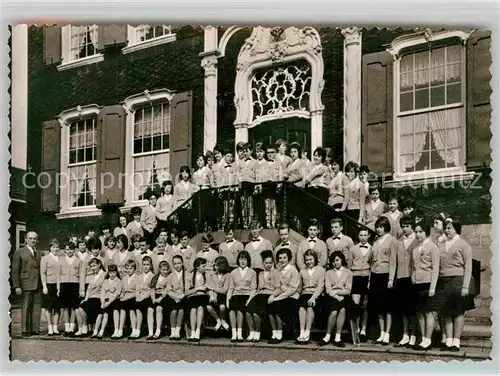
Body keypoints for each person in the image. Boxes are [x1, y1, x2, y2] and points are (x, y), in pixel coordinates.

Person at [436, 217, 473, 352]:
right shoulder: (442, 244)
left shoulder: (464, 244)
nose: (446, 230)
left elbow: (468, 266)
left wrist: (465, 287)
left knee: (458, 312)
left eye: (449, 228)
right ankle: (449, 341)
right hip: (443, 281)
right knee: (445, 312)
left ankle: (456, 341)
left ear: (456, 229)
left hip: (458, 280)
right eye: (445, 228)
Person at [369, 216, 398, 345]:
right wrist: (370, 279)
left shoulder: (392, 240)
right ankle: (381, 333)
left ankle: (387, 333)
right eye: (377, 227)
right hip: (376, 274)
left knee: (388, 307)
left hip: (386, 275)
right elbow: (372, 262)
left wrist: (391, 279)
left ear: (386, 227)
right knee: (379, 306)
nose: (379, 229)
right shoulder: (375, 241)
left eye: (381, 227)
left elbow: (393, 261)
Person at [412, 221, 440, 351]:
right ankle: (423, 338)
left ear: (426, 232)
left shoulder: (433, 247)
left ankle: (428, 339)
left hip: (428, 283)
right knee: (419, 312)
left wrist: (433, 287)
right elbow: (414, 267)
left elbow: (435, 269)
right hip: (417, 283)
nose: (418, 234)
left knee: (429, 312)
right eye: (416, 232)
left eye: (420, 232)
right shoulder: (415, 249)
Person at [393, 215, 420, 348]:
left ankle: (414, 335)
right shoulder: (398, 240)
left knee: (413, 308)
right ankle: (405, 335)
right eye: (403, 226)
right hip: (401, 277)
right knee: (403, 308)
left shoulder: (418, 239)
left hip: (413, 278)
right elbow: (394, 261)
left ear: (412, 226)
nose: (405, 229)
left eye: (407, 226)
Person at [12, 231, 42, 337]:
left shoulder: (39, 253)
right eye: (30, 238)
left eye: (34, 238)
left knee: (36, 307)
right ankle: (25, 329)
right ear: (26, 239)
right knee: (26, 307)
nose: (33, 240)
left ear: (37, 240)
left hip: (38, 284)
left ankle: (35, 329)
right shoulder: (19, 252)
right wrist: (17, 286)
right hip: (25, 283)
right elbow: (15, 271)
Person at [320, 251, 353, 347]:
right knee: (334, 311)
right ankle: (328, 335)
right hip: (331, 296)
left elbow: (348, 290)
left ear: (342, 260)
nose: (336, 263)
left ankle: (338, 337)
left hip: (344, 296)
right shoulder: (328, 272)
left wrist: (338, 292)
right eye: (333, 261)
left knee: (342, 310)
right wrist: (336, 296)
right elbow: (328, 289)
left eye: (337, 260)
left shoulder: (348, 273)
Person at [267, 248, 300, 344]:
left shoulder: (293, 270)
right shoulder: (277, 271)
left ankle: (280, 334)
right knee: (270, 305)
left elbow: (292, 289)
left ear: (289, 258)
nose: (282, 260)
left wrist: (277, 298)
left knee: (277, 305)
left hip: (292, 297)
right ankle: (275, 333)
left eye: (284, 257)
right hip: (282, 295)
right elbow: (278, 286)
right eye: (280, 258)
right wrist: (273, 296)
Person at [247, 251, 279, 342]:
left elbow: (278, 288)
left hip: (268, 295)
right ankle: (251, 332)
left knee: (256, 313)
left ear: (273, 263)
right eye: (266, 263)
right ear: (263, 263)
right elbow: (258, 289)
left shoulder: (275, 273)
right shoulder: (260, 274)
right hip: (259, 295)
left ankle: (257, 333)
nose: (268, 265)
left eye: (270, 263)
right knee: (248, 311)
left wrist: (273, 295)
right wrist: (251, 298)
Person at [227, 250, 257, 342]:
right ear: (238, 260)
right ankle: (234, 333)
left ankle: (239, 333)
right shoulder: (233, 272)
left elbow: (253, 289)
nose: (243, 261)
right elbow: (231, 288)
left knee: (239, 309)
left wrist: (250, 300)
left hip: (247, 295)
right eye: (241, 259)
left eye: (245, 259)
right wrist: (227, 299)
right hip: (236, 294)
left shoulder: (252, 272)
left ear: (248, 261)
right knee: (232, 308)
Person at [348, 228, 372, 342]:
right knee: (356, 305)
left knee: (365, 305)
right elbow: (348, 266)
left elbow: (373, 265)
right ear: (358, 236)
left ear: (369, 236)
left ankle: (363, 329)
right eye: (361, 235)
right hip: (355, 278)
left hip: (367, 277)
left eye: (365, 235)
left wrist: (370, 280)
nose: (363, 237)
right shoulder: (352, 249)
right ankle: (356, 329)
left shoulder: (372, 249)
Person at [296, 249, 325, 344]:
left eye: (311, 259)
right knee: (301, 308)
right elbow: (300, 286)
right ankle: (302, 332)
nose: (309, 262)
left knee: (310, 307)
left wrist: (313, 297)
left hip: (316, 295)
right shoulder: (302, 271)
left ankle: (307, 332)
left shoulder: (321, 270)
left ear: (315, 259)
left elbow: (321, 286)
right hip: (305, 293)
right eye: (307, 260)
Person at [75, 257, 106, 337]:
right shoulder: (92, 275)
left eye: (94, 266)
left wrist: (102, 300)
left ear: (99, 265)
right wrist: (85, 299)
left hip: (99, 298)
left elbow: (104, 289)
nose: (92, 268)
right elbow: (88, 289)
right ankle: (81, 328)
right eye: (91, 266)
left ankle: (85, 327)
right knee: (77, 310)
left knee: (81, 309)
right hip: (91, 298)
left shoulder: (104, 275)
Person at [92, 264, 122, 339]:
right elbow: (103, 292)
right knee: (103, 314)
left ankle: (116, 330)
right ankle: (97, 332)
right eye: (110, 273)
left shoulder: (118, 281)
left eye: (114, 273)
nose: (112, 274)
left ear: (116, 272)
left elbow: (116, 294)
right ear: (108, 273)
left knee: (115, 310)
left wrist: (108, 303)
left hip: (114, 300)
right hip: (106, 300)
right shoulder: (105, 281)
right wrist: (103, 302)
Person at [59, 242, 81, 337]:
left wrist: (81, 289)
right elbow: (58, 275)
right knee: (65, 307)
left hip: (74, 284)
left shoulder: (78, 260)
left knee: (73, 307)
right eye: (67, 249)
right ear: (65, 250)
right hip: (64, 284)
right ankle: (67, 328)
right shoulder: (61, 260)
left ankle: (72, 328)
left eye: (71, 249)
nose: (69, 251)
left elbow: (81, 276)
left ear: (74, 250)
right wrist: (58, 288)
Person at [185, 258, 209, 342]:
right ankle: (193, 331)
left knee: (200, 308)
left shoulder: (207, 275)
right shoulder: (190, 276)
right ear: (197, 267)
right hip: (192, 297)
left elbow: (209, 288)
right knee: (193, 309)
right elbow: (187, 292)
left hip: (203, 297)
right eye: (203, 266)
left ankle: (198, 330)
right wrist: (197, 288)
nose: (205, 267)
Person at [40, 239, 61, 336]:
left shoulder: (61, 258)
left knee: (57, 307)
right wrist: (44, 286)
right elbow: (43, 273)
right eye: (53, 247)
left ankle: (55, 327)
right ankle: (50, 327)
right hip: (49, 284)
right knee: (48, 307)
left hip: (59, 285)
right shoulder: (45, 258)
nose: (55, 249)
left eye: (57, 247)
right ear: (50, 248)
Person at [206, 256, 231, 332]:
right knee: (209, 307)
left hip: (223, 296)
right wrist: (212, 295)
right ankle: (218, 320)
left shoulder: (228, 275)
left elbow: (224, 290)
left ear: (221, 265)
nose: (214, 267)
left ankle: (223, 320)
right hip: (213, 295)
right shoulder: (212, 275)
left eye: (216, 265)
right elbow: (209, 287)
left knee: (222, 307)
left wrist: (214, 288)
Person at [148, 260, 171, 340]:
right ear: (159, 270)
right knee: (150, 310)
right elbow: (152, 289)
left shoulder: (169, 278)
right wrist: (153, 298)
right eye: (163, 270)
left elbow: (167, 290)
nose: (165, 272)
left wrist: (160, 298)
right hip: (155, 296)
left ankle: (158, 330)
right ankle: (150, 332)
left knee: (158, 308)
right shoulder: (155, 277)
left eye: (166, 270)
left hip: (164, 297)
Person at [236, 143, 257, 229]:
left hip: (251, 184)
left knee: (250, 204)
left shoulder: (255, 162)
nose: (245, 153)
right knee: (243, 203)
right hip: (242, 185)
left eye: (247, 151)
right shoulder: (240, 163)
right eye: (243, 151)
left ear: (251, 151)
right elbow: (238, 174)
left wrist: (256, 186)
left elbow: (256, 174)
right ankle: (244, 223)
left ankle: (250, 222)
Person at [166, 255, 187, 340]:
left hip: (184, 297)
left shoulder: (187, 274)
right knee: (174, 311)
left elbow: (188, 288)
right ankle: (173, 331)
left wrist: (182, 295)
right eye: (175, 264)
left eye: (179, 263)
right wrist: (175, 296)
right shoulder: (170, 276)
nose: (177, 265)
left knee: (181, 310)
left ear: (182, 263)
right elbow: (168, 289)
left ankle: (178, 330)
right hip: (173, 297)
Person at [117, 259, 139, 339]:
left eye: (131, 268)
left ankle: (134, 330)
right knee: (122, 308)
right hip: (125, 297)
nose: (129, 270)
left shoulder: (137, 278)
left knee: (131, 309)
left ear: (134, 269)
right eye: (127, 268)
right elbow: (122, 290)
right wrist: (122, 295)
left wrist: (127, 297)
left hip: (133, 297)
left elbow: (137, 291)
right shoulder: (124, 278)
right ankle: (120, 330)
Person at [134, 256, 154, 339]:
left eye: (148, 265)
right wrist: (138, 296)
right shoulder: (139, 276)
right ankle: (137, 330)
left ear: (151, 265)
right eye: (144, 264)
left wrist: (143, 297)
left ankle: (151, 332)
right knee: (138, 309)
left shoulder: (153, 276)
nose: (146, 267)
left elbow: (151, 290)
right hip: (140, 296)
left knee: (150, 310)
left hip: (149, 297)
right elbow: (137, 288)